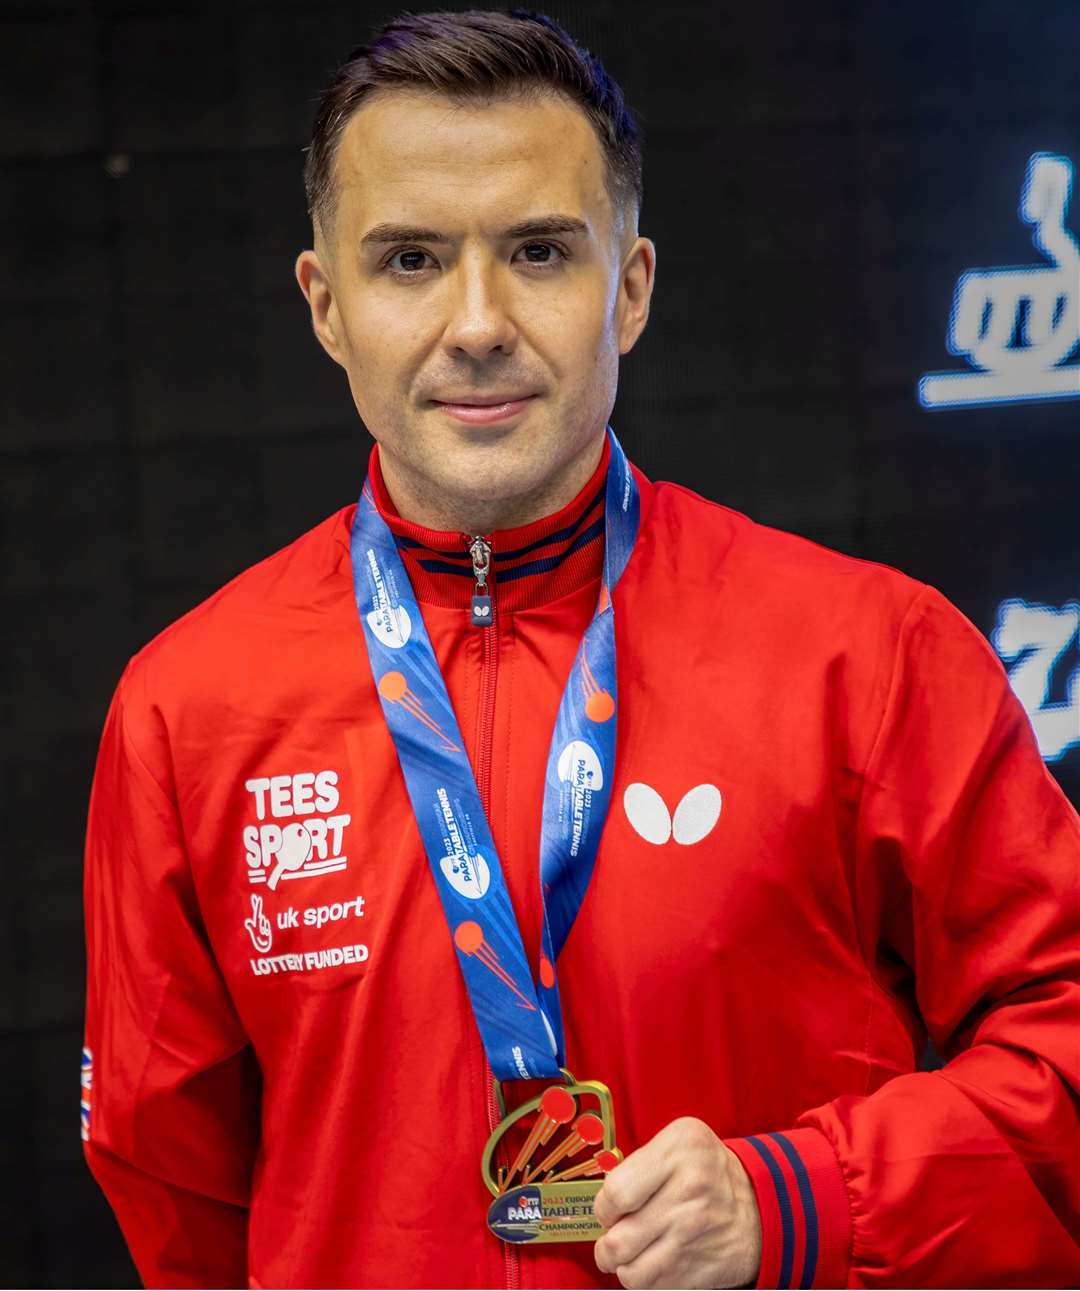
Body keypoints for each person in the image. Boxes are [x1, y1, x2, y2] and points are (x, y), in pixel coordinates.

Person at [80, 8, 1080, 1289]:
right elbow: (172, 1182)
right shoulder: (189, 707)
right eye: (410, 262)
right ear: (326, 307)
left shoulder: (870, 653)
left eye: (541, 251)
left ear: (632, 285)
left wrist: (803, 1200)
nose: (480, 321)